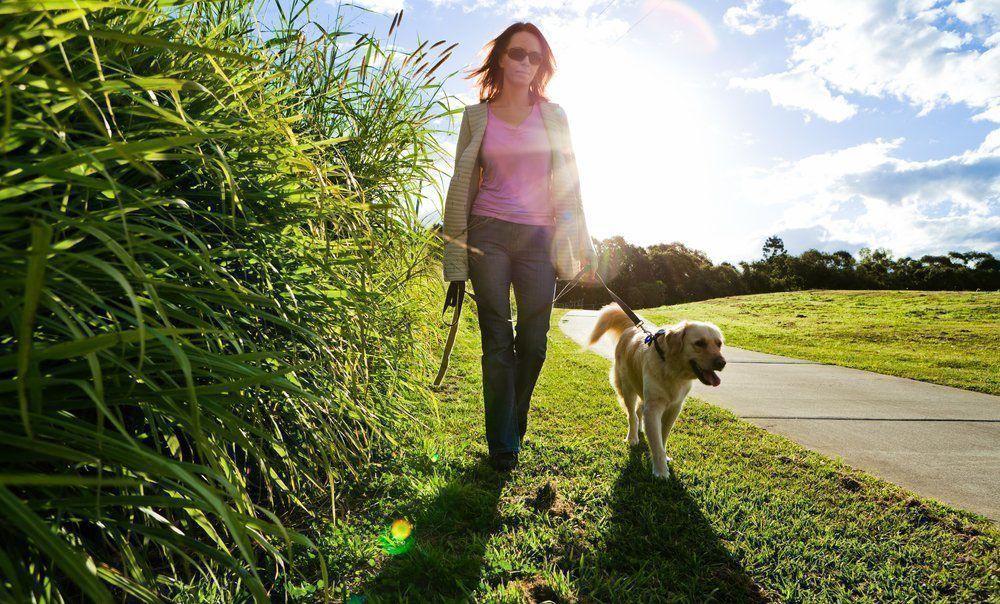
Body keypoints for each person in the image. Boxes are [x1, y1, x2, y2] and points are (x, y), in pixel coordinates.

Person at [441, 22, 599, 472]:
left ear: (542, 66)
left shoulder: (555, 116)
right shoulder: (476, 117)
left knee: (533, 342)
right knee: (496, 338)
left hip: (538, 238)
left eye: (534, 57)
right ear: (501, 59)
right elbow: (460, 187)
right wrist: (455, 261)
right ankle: (504, 446)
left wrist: (581, 240)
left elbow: (571, 182)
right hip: (486, 232)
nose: (525, 63)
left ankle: (513, 417)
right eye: (517, 53)